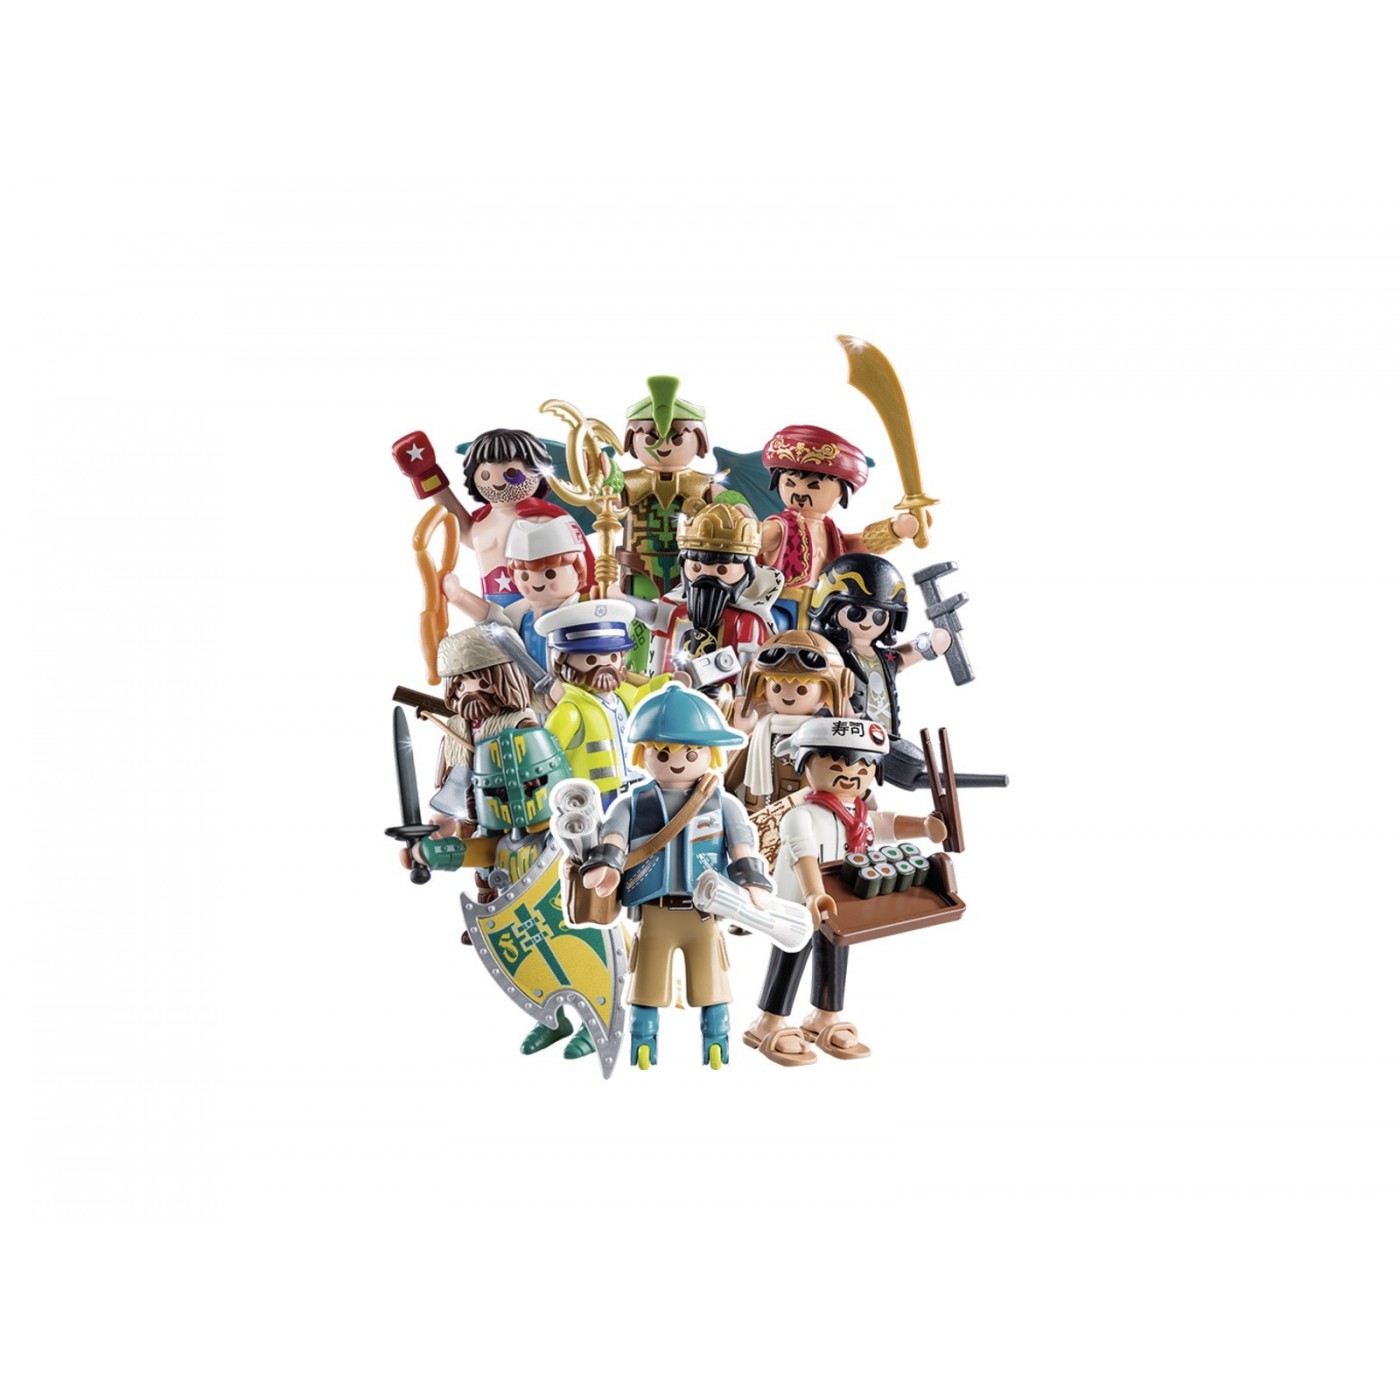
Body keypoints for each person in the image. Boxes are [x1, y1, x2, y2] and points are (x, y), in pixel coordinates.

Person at [577, 688, 773, 1069]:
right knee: (646, 988)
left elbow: (742, 849)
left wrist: (753, 882)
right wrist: (607, 867)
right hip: (655, 912)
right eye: (663, 753)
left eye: (691, 753)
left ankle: (716, 1041)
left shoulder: (723, 804)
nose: (678, 762)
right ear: (644, 754)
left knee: (712, 985)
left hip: (704, 912)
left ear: (710, 753)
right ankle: (643, 1043)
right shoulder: (632, 803)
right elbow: (613, 840)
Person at [746, 715, 946, 1067]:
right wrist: (812, 893)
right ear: (806, 764)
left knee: (836, 953)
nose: (851, 776)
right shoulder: (801, 815)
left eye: (863, 768)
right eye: (837, 766)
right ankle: (769, 1020)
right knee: (790, 955)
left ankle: (825, 1015)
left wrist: (925, 827)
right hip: (800, 901)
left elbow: (886, 826)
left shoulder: (859, 813)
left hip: (842, 901)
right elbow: (802, 853)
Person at [756, 425, 924, 631]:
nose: (799, 492)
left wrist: (895, 530)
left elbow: (856, 545)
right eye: (790, 483)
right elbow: (746, 545)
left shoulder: (831, 532)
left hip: (822, 612)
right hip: (780, 607)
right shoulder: (779, 527)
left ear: (843, 492)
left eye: (814, 486)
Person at [393, 427, 570, 606]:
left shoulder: (544, 520)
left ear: (538, 472)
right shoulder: (482, 523)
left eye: (511, 473)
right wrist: (426, 473)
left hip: (542, 606)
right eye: (485, 475)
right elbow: (456, 524)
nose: (498, 483)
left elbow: (572, 565)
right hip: (493, 606)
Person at [536, 600, 674, 809]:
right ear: (562, 662)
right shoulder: (570, 712)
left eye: (613, 656)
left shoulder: (627, 695)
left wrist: (670, 681)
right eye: (591, 660)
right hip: (597, 797)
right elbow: (546, 757)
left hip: (641, 785)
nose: (605, 666)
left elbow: (649, 695)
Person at [727, 632, 855, 816]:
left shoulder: (825, 741)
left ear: (830, 690)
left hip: (807, 816)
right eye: (776, 687)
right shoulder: (760, 734)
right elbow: (731, 776)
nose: (788, 694)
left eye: (802, 689)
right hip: (759, 813)